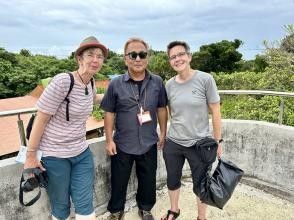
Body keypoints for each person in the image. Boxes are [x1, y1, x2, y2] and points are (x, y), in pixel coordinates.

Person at [24, 36, 108, 220]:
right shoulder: (64, 81)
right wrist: (30, 156)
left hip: (81, 152)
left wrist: (118, 94)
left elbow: (92, 98)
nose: (95, 60)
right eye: (90, 55)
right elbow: (41, 118)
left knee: (85, 202)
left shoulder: (91, 82)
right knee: (60, 205)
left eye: (100, 56)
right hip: (55, 155)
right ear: (79, 58)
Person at [100, 37, 168, 220]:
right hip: (123, 142)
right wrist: (109, 140)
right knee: (119, 180)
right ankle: (116, 211)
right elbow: (109, 112)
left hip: (148, 141)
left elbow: (162, 108)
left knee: (148, 179)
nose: (138, 59)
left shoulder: (157, 82)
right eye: (133, 55)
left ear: (147, 57)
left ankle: (145, 208)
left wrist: (163, 132)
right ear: (125, 58)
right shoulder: (116, 84)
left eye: (142, 54)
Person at [161, 41, 222, 220]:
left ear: (189, 56)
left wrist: (218, 141)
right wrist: (164, 135)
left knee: (201, 184)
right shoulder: (169, 84)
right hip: (174, 143)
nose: (177, 59)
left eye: (180, 54)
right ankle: (174, 210)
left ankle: (201, 217)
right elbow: (168, 112)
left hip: (200, 144)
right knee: (172, 179)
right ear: (170, 61)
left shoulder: (205, 79)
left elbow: (216, 111)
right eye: (173, 57)